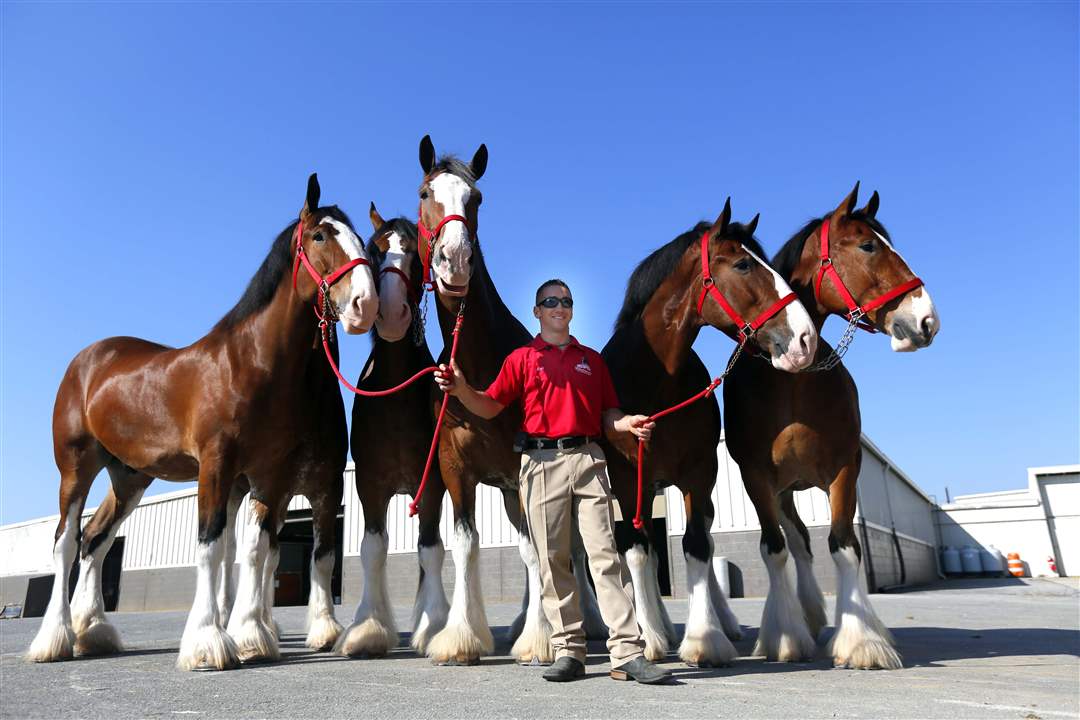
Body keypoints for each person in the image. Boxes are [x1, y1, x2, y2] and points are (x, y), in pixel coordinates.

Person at [435, 279, 672, 685]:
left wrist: (627, 423)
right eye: (550, 301)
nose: (558, 306)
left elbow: (607, 416)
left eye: (565, 301)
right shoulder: (522, 359)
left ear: (571, 310)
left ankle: (627, 653)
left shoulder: (592, 361)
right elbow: (490, 406)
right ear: (537, 312)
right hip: (540, 463)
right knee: (552, 561)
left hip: (588, 459)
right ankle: (569, 651)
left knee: (604, 558)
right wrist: (461, 390)